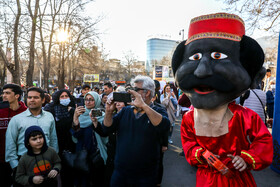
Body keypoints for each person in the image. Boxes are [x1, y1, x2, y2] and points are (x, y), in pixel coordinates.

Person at [172, 13, 273, 186]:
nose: (201, 71)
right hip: (207, 178)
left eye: (218, 56)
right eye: (195, 57)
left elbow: (263, 141)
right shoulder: (189, 119)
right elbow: (189, 144)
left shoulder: (244, 116)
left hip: (236, 180)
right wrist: (201, 154)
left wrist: (247, 158)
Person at [103, 75, 170, 186]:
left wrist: (143, 106)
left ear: (147, 92)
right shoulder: (125, 111)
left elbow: (164, 126)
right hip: (120, 173)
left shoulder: (158, 111)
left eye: (135, 90)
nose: (131, 93)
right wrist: (108, 112)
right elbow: (107, 128)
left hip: (145, 176)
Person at [5, 87, 59, 186]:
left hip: (46, 164)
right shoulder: (16, 119)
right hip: (24, 164)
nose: (32, 100)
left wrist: (54, 162)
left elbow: (53, 139)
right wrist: (17, 167)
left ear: (43, 100)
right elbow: (10, 145)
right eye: (29, 97)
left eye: (35, 97)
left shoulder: (49, 117)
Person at [71, 91, 108, 187]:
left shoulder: (101, 114)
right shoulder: (80, 114)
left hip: (96, 152)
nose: (88, 102)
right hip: (82, 151)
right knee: (82, 179)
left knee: (96, 179)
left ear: (96, 101)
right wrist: (75, 118)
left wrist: (95, 123)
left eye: (91, 100)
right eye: (86, 100)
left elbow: (105, 133)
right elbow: (76, 135)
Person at [44, 89, 76, 187]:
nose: (65, 98)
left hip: (71, 142)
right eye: (62, 97)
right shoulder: (51, 108)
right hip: (57, 142)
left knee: (68, 169)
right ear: (57, 98)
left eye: (66, 96)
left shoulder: (73, 108)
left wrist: (73, 112)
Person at [0, 84, 27, 187]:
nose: (4, 96)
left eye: (7, 93)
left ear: (17, 96)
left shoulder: (26, 112)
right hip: (2, 159)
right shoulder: (0, 111)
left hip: (21, 158)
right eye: (3, 93)